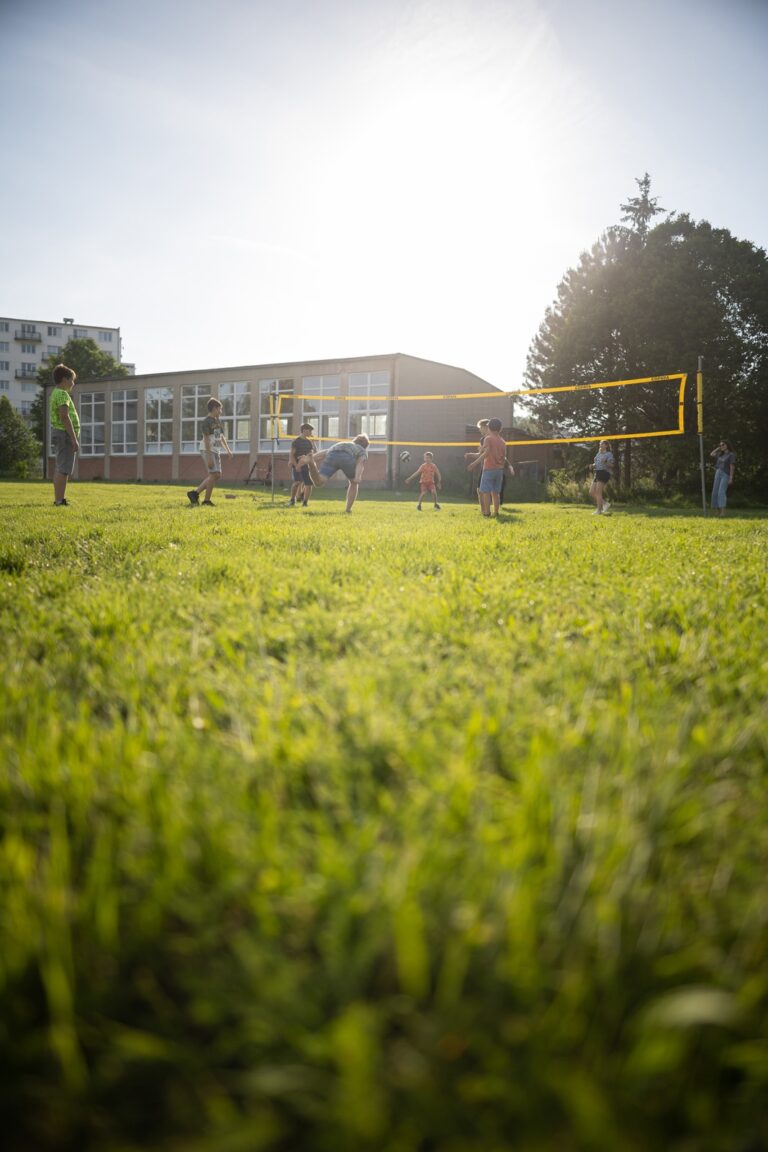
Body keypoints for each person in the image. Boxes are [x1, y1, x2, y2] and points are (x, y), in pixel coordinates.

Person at [303, 434, 369, 513]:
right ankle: (348, 510)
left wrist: (312, 457)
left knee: (318, 482)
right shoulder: (362, 449)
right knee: (354, 483)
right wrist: (357, 477)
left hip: (332, 455)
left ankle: (311, 463)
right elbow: (360, 463)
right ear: (365, 446)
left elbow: (324, 453)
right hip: (346, 458)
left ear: (355, 440)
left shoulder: (342, 443)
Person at [188, 398, 232, 506]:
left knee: (217, 475)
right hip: (207, 450)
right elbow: (206, 439)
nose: (220, 411)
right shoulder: (206, 421)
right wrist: (208, 457)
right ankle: (206, 501)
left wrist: (228, 451)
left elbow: (221, 437)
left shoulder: (217, 421)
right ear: (214, 408)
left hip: (216, 451)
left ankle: (194, 493)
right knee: (213, 474)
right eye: (219, 409)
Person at [49, 364, 80, 506]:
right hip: (64, 434)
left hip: (59, 433)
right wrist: (74, 439)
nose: (73, 383)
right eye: (72, 380)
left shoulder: (55, 393)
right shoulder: (62, 394)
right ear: (64, 379)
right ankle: (59, 500)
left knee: (61, 467)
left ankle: (59, 499)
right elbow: (64, 416)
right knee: (64, 468)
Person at [467, 417, 509, 517]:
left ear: (489, 428)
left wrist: (474, 463)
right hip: (499, 470)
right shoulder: (503, 441)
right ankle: (496, 512)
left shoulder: (488, 438)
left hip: (489, 469)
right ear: (500, 429)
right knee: (495, 493)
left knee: (485, 491)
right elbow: (503, 456)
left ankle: (486, 512)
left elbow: (486, 453)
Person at [288, 423, 317, 507]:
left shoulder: (309, 442)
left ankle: (305, 502)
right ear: (304, 430)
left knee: (309, 484)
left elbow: (312, 453)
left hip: (306, 466)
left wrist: (313, 442)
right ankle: (292, 500)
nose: (311, 432)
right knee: (297, 482)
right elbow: (292, 454)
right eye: (310, 430)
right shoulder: (296, 441)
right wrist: (296, 465)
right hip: (297, 465)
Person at [710, 439, 736, 517]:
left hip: (725, 474)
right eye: (720, 445)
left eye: (723, 445)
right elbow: (711, 454)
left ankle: (723, 512)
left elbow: (732, 467)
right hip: (718, 473)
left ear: (727, 445)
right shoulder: (720, 454)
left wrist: (731, 478)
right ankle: (717, 511)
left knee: (721, 492)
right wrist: (718, 448)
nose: (721, 446)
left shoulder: (731, 455)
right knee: (715, 492)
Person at [590, 439, 614, 515]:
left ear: (606, 445)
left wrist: (606, 462)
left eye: (602, 444)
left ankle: (599, 510)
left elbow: (612, 465)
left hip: (604, 473)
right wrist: (592, 465)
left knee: (598, 492)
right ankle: (605, 504)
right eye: (600, 443)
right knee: (592, 492)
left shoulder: (609, 454)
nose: (600, 444)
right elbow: (596, 463)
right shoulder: (598, 454)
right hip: (597, 472)